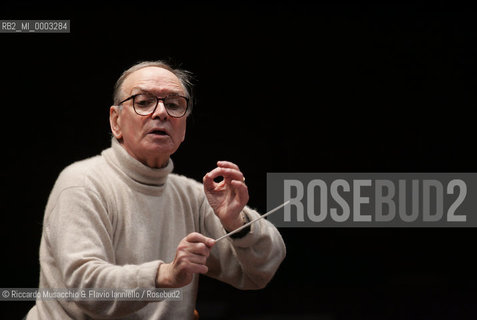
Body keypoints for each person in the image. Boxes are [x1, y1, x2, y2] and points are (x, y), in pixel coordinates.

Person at [26, 61, 286, 319]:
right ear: (115, 121)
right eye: (143, 102)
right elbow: (86, 290)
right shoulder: (81, 182)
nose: (161, 113)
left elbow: (259, 273)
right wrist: (165, 274)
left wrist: (236, 223)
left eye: (174, 105)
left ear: (184, 127)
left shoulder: (191, 195)